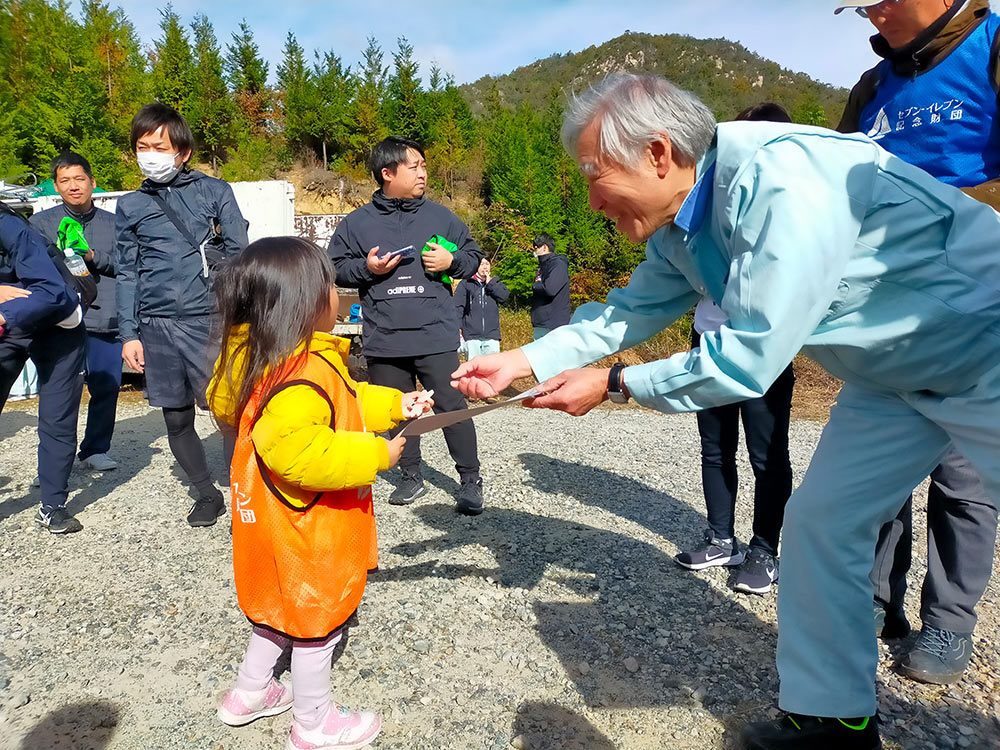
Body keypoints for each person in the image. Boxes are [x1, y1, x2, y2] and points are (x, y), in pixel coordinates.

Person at [451, 73, 1000, 749]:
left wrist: (617, 385)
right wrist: (523, 361)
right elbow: (628, 311)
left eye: (595, 174)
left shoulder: (782, 180)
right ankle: (834, 721)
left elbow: (748, 357)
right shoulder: (682, 226)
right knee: (822, 524)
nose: (590, 199)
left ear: (658, 154)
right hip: (891, 380)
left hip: (986, 348)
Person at [207, 237, 432, 750]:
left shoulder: (262, 357)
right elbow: (299, 452)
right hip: (307, 526)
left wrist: (398, 403)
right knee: (316, 621)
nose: (337, 293)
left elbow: (345, 401)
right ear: (304, 302)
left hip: (264, 520)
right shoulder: (302, 371)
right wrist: (378, 456)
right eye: (330, 285)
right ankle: (313, 723)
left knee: (277, 609)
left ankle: (250, 691)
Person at [836, 0, 1000, 685]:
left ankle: (948, 623)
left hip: (973, 306)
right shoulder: (874, 87)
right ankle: (878, 602)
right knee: (877, 471)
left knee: (961, 477)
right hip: (884, 308)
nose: (871, 15)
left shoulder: (992, 46)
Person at [674, 102, 795, 597]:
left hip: (764, 347)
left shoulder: (788, 204)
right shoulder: (714, 198)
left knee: (767, 455)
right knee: (714, 449)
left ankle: (766, 548)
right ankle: (722, 537)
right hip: (709, 339)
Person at [329, 136, 486, 515]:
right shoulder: (357, 223)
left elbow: (473, 256)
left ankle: (470, 480)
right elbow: (333, 267)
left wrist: (451, 263)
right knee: (397, 410)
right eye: (414, 166)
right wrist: (367, 268)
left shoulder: (441, 217)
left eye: (424, 166)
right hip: (385, 337)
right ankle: (410, 476)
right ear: (387, 173)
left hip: (435, 334)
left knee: (451, 407)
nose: (423, 173)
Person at [116, 102, 248, 527]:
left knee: (231, 409)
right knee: (175, 415)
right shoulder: (131, 205)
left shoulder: (215, 192)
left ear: (184, 151)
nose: (150, 154)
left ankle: (248, 484)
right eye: (142, 146)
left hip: (208, 318)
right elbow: (126, 272)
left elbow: (240, 254)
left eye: (160, 146)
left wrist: (225, 294)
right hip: (155, 325)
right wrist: (128, 333)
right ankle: (206, 493)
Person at [30, 152, 120, 473]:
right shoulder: (40, 224)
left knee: (106, 385)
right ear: (56, 186)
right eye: (65, 180)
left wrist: (94, 255)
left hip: (105, 316)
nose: (73, 186)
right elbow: (32, 267)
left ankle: (95, 448)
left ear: (92, 183)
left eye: (79, 179)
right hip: (60, 320)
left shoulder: (115, 223)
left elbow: (129, 265)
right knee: (59, 393)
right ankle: (56, 464)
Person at [0, 202, 86, 534]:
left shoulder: (12, 229)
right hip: (9, 326)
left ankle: (53, 505)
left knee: (57, 416)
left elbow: (53, 292)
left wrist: (7, 313)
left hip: (57, 325)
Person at [455, 258, 510, 359]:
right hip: (471, 336)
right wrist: (457, 328)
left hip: (492, 335)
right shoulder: (466, 283)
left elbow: (504, 297)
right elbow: (458, 307)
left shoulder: (495, 283)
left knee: (491, 368)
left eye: (487, 264)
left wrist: (491, 284)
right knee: (474, 369)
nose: (485, 267)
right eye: (481, 264)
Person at [529, 233, 570, 340]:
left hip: (554, 324)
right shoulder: (542, 267)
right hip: (541, 323)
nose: (535, 250)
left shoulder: (558, 264)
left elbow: (550, 289)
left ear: (545, 247)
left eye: (536, 247)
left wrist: (535, 285)